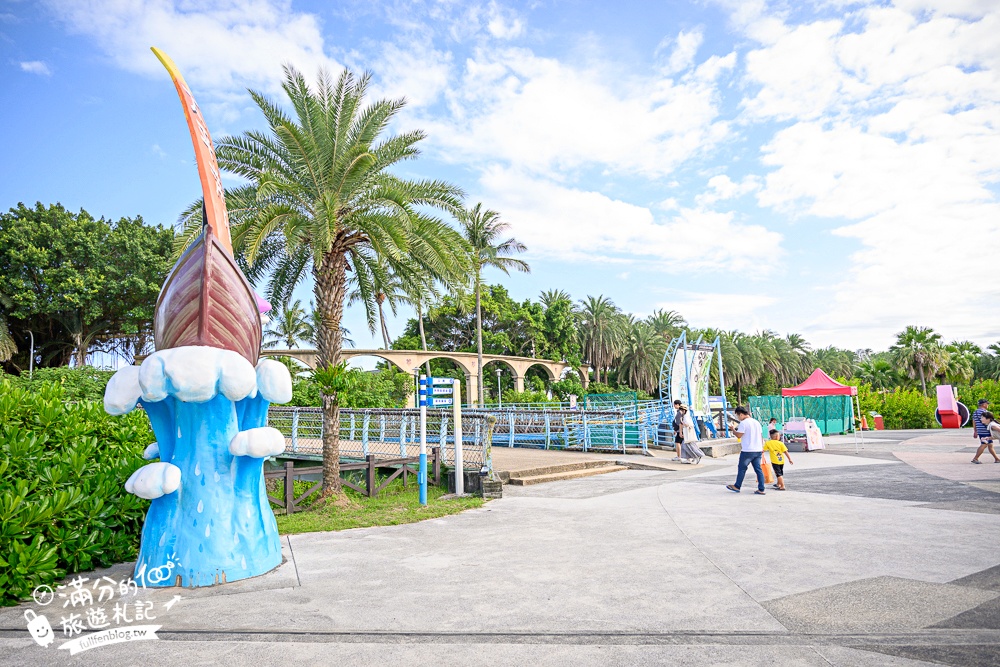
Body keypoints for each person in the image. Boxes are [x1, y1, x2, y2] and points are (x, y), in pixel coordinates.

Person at [727, 406, 766, 495]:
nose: (738, 418)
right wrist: (761, 447)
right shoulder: (757, 422)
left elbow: (739, 435)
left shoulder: (744, 423)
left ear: (741, 414)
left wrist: (733, 429)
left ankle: (737, 486)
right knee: (758, 470)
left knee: (742, 468)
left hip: (748, 450)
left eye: (737, 416)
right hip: (758, 450)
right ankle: (761, 488)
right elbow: (760, 436)